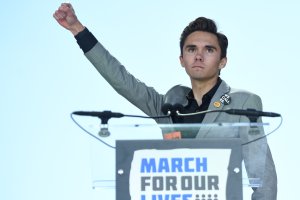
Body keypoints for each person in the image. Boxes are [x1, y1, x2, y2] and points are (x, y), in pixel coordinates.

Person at [53, 3, 277, 199]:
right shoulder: (169, 105)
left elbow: (263, 179)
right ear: (182, 59)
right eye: (191, 49)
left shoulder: (244, 102)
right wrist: (78, 30)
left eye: (209, 50)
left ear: (222, 61)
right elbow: (122, 81)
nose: (198, 56)